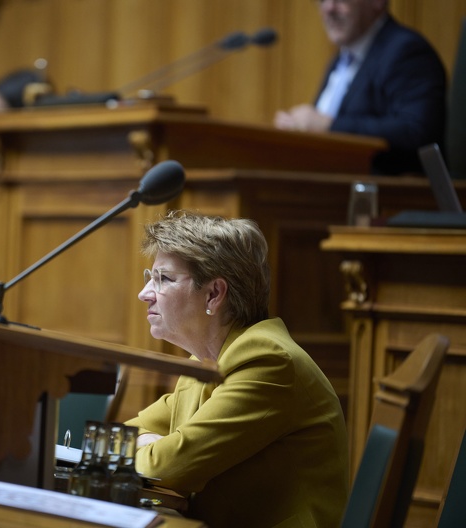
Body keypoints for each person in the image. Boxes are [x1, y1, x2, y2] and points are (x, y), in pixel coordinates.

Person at [125, 212, 349, 528]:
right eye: (150, 276)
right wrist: (150, 444)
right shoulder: (208, 359)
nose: (145, 293)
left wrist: (152, 447)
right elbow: (124, 434)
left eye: (164, 279)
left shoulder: (267, 361)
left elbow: (166, 465)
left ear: (214, 294)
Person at [274, 0, 447, 175]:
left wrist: (329, 127)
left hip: (385, 195)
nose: (329, 8)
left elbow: (415, 131)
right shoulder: (341, 58)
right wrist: (297, 131)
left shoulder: (406, 50)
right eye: (322, 0)